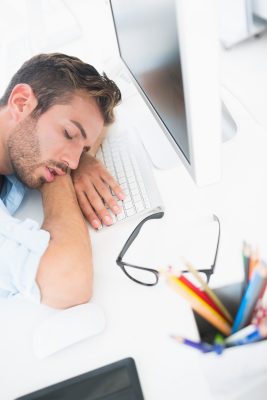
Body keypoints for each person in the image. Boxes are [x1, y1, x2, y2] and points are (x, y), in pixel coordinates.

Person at [0, 53, 124, 309]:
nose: (74, 163)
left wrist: (77, 152)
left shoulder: (17, 141)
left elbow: (104, 127)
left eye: (82, 150)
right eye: (68, 133)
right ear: (21, 103)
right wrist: (58, 175)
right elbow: (68, 283)